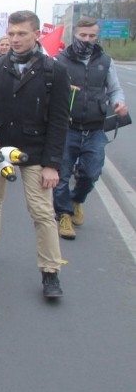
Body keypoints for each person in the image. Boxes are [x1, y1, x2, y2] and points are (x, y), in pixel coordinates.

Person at [0, 10, 70, 299]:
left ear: (36, 34)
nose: (15, 39)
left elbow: (60, 120)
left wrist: (52, 164)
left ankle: (50, 271)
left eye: (22, 33)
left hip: (36, 153)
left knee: (42, 212)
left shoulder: (54, 71)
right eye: (11, 33)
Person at [53, 16, 129, 239]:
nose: (87, 40)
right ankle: (64, 215)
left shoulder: (105, 61)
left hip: (95, 128)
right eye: (83, 35)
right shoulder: (60, 60)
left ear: (97, 36)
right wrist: (65, 88)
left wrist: (118, 102)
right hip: (67, 127)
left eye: (92, 36)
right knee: (62, 174)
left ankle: (76, 200)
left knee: (91, 172)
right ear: (74, 35)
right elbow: (49, 90)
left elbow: (115, 89)